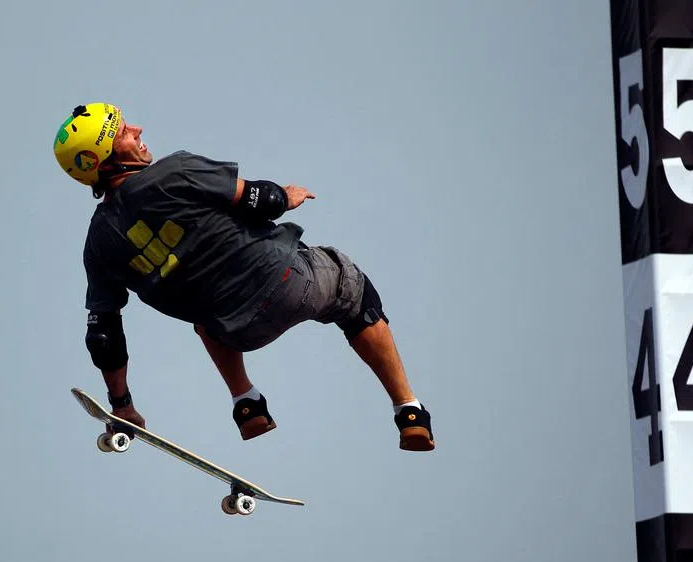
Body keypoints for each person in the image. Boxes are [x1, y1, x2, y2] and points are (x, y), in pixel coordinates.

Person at [54, 102, 434, 451]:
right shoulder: (175, 171)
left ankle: (247, 404)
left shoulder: (98, 242)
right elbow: (261, 200)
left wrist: (122, 405)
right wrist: (287, 195)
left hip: (235, 329)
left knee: (204, 313)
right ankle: (409, 410)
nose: (136, 129)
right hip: (291, 283)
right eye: (122, 132)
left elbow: (103, 335)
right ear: (103, 162)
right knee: (352, 289)